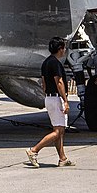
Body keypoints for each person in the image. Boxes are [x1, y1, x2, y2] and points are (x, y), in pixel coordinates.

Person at [25, 36, 74, 168]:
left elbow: (44, 84)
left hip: (49, 98)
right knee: (58, 132)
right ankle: (34, 150)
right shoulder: (56, 63)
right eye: (63, 47)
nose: (64, 50)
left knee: (60, 130)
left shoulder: (45, 62)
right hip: (56, 98)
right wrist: (65, 100)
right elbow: (59, 82)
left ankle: (62, 158)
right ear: (60, 49)